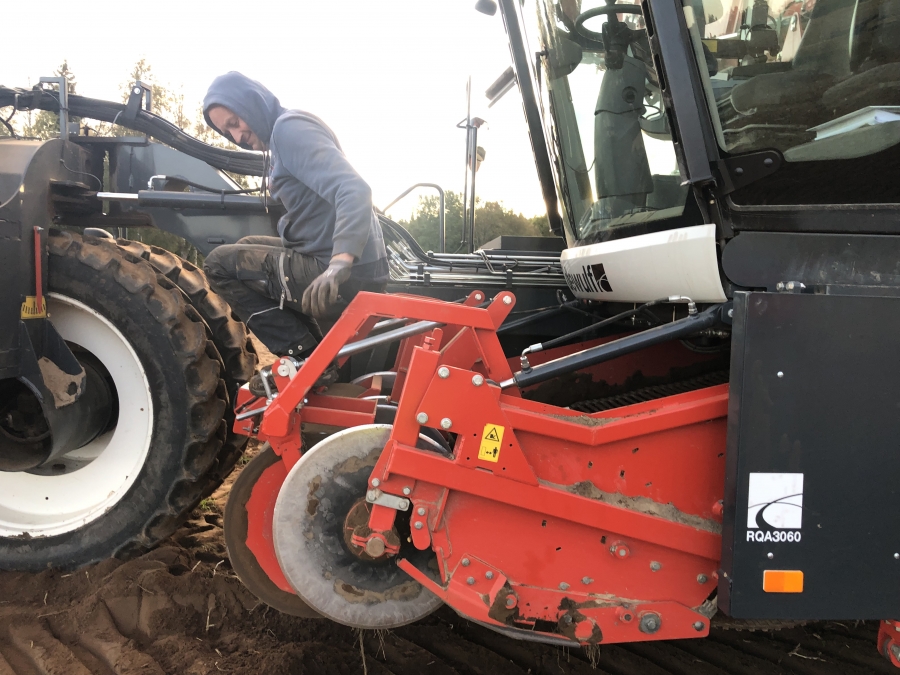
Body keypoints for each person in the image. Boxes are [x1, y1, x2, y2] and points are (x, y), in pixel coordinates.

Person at [201, 72, 389, 384]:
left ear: (251, 102)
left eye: (235, 122)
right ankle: (318, 355)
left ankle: (306, 359)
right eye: (227, 132)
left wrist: (339, 263)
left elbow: (354, 189)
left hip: (344, 270)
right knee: (247, 247)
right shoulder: (282, 136)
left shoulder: (289, 130)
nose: (236, 136)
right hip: (335, 258)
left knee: (219, 264)